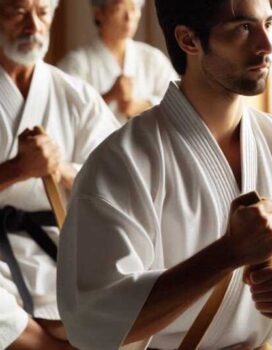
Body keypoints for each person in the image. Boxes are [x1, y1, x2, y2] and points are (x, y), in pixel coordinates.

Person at [57, 0, 272, 349]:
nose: (267, 46)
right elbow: (94, 321)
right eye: (243, 29)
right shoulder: (121, 163)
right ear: (189, 40)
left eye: (268, 24)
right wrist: (227, 253)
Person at [0, 0, 119, 348]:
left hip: (61, 239)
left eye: (42, 12)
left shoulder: (77, 95)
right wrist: (16, 170)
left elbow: (117, 180)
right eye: (17, 11)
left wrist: (62, 170)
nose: (32, 25)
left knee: (130, 288)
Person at [58, 0, 177, 124]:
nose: (129, 17)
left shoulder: (153, 58)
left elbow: (178, 102)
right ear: (99, 13)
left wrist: (137, 106)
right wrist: (109, 96)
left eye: (134, 8)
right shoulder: (76, 64)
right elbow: (65, 114)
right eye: (120, 8)